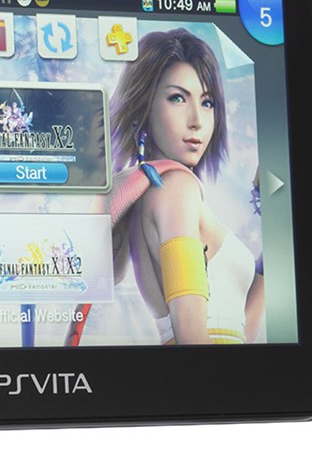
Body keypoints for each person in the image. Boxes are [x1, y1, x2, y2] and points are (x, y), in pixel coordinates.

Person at [106, 28, 263, 345]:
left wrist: (263, 269)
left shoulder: (147, 190)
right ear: (144, 107)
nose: (197, 121)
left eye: (207, 103)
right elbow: (191, 333)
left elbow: (231, 328)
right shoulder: (177, 187)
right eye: (177, 98)